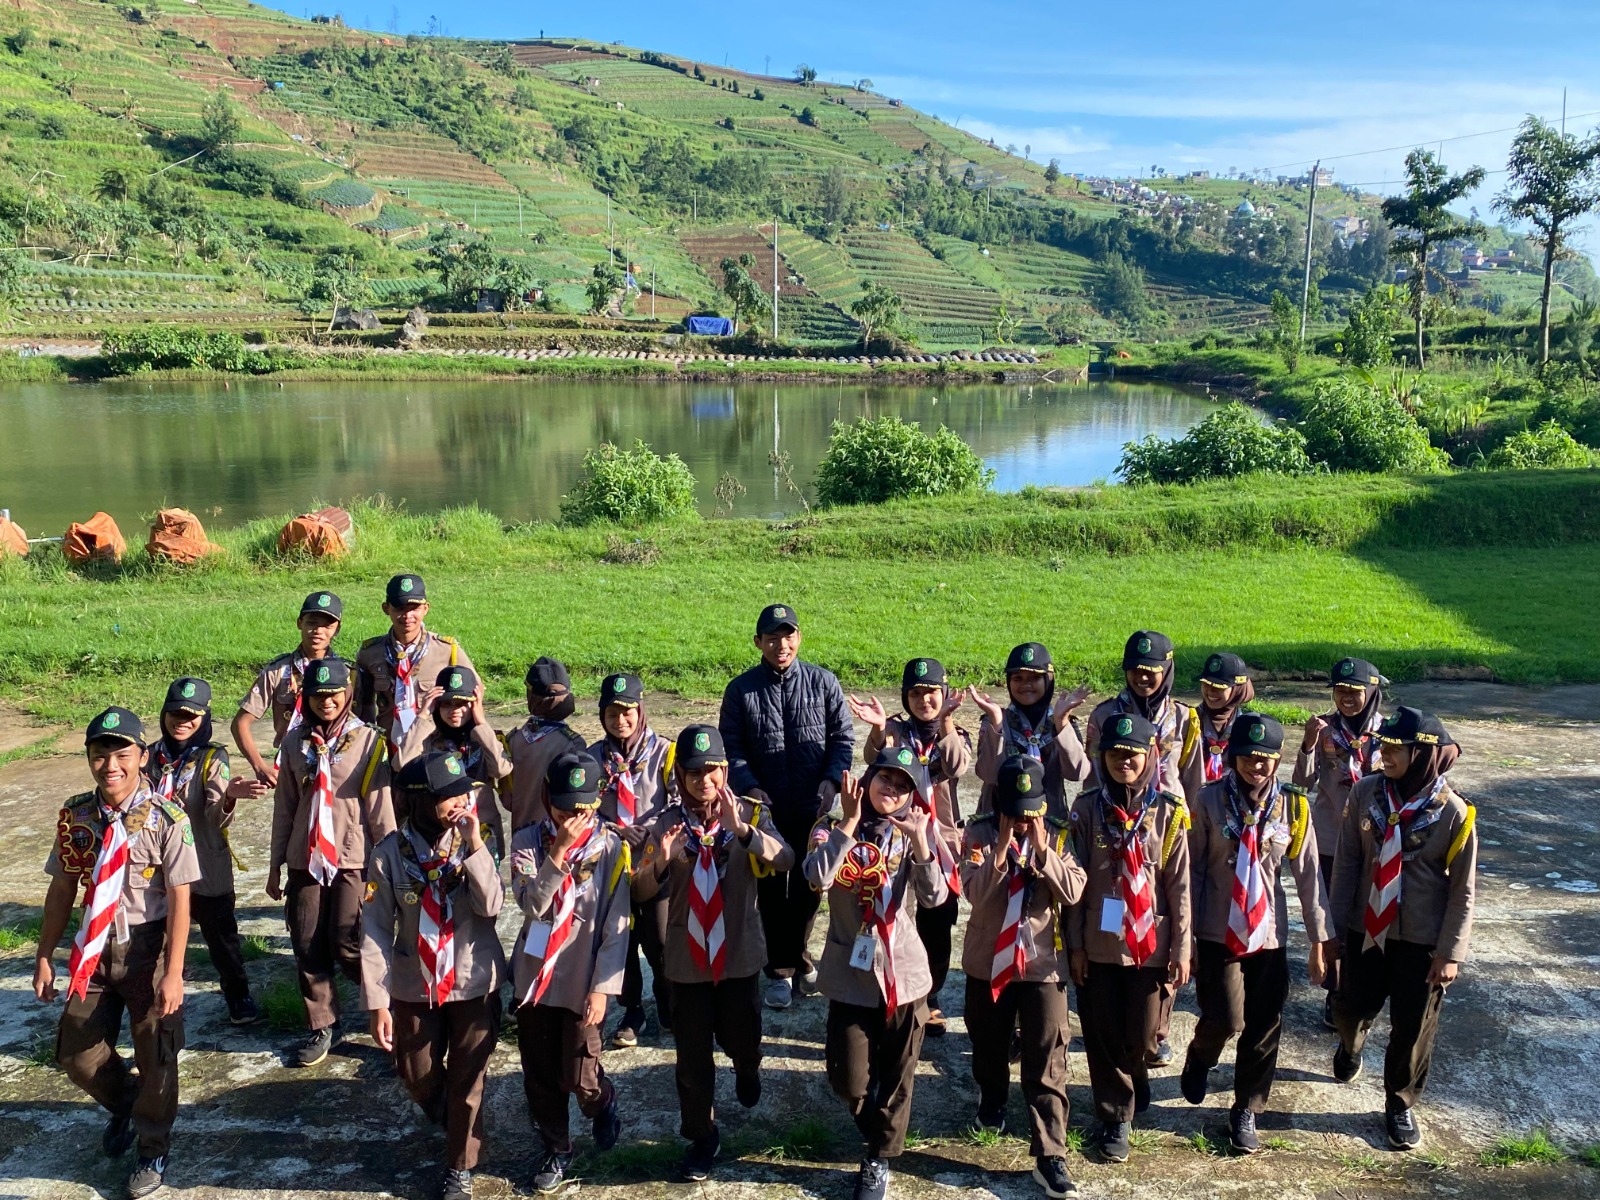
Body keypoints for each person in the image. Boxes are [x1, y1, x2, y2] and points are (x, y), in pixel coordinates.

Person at [32, 708, 201, 1199]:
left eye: (122, 753)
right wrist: (45, 954)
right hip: (96, 946)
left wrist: (173, 972)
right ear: (88, 758)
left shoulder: (169, 818)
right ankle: (129, 1102)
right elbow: (63, 888)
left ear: (142, 757)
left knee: (156, 1052)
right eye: (100, 753)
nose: (111, 765)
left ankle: (152, 1147)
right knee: (76, 1053)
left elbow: (180, 901)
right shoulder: (76, 816)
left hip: (148, 948)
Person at [633, 725, 793, 1183]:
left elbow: (785, 859)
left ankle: (747, 1066)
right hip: (687, 960)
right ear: (680, 775)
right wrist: (659, 861)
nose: (706, 780)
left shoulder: (749, 812)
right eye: (696, 772)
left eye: (714, 770)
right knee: (692, 1059)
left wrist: (742, 832)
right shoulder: (663, 823)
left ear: (726, 771)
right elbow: (641, 888)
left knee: (744, 1036)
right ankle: (702, 1137)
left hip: (739, 952)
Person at [1180, 712, 1336, 1154]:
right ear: (1233, 757)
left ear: (1279, 759)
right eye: (1248, 757)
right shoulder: (1208, 801)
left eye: (1266, 758)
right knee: (1227, 1017)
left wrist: (1320, 941)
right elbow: (1190, 870)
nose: (1257, 766)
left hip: (1268, 932)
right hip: (1217, 928)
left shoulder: (1294, 806)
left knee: (1265, 1023)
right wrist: (1186, 933)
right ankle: (1201, 1056)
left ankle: (1247, 1108)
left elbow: (1309, 878)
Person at [1328, 706, 1477, 1152]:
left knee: (1412, 1027)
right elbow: (1348, 863)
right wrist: (1333, 931)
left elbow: (1462, 891)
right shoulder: (1366, 794)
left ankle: (1399, 1102)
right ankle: (1350, 1045)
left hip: (1420, 940)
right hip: (1364, 928)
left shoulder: (1455, 813)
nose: (1384, 755)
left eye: (1395, 749)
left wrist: (1450, 952)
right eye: (1383, 746)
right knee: (1351, 1005)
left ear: (1424, 755)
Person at [805, 747, 947, 1200]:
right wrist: (847, 822)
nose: (892, 789)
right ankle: (879, 1130)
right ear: (867, 780)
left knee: (899, 1074)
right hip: (851, 972)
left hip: (903, 974)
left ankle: (878, 1158)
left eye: (903, 784)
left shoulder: (915, 834)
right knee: (848, 1079)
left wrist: (923, 844)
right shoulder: (831, 826)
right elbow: (817, 877)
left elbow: (934, 898)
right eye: (884, 778)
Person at [363, 751, 506, 1200]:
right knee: (416, 1072)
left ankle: (459, 1166)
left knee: (468, 1077)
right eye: (447, 796)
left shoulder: (476, 841)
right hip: (413, 981)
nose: (460, 801)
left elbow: (492, 905)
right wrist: (377, 1002)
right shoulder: (388, 855)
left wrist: (475, 846)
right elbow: (374, 930)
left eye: (463, 790)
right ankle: (457, 1123)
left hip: (472, 979)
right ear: (420, 801)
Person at [961, 755, 1087, 1199]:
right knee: (987, 1041)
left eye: (1029, 810)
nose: (1021, 820)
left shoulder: (1056, 833)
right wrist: (1000, 845)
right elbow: (973, 893)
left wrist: (1044, 851)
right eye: (1014, 811)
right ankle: (993, 1097)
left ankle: (1051, 1152)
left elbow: (1073, 889)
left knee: (1049, 1054)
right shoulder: (977, 833)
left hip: (1041, 965)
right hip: (988, 960)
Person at [1067, 714, 1191, 1165]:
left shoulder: (1171, 812)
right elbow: (1075, 887)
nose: (1125, 763)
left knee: (1141, 1035)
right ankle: (1115, 1115)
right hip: (1099, 941)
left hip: (1150, 944)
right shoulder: (1085, 809)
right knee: (1101, 1033)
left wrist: (1182, 946)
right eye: (1116, 754)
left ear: (1150, 755)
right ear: (1104, 758)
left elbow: (1179, 887)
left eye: (1133, 755)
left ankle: (1136, 1072)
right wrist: (1075, 946)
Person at [718, 603, 854, 1011]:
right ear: (758, 642)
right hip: (766, 809)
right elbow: (732, 748)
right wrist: (751, 787)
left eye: (788, 635)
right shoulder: (740, 691)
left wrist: (832, 780)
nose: (782, 644)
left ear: (799, 638)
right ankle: (778, 970)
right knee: (772, 888)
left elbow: (842, 739)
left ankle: (797, 956)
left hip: (813, 806)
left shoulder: (824, 682)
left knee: (812, 888)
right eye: (772, 637)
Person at [509, 752, 628, 1193]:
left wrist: (602, 989)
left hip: (581, 978)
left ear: (596, 802)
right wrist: (555, 856)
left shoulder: (612, 847)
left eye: (581, 808)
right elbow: (530, 905)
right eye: (563, 807)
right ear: (546, 799)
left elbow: (618, 926)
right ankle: (557, 1148)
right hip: (535, 978)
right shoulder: (526, 841)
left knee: (581, 1075)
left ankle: (604, 1102)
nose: (571, 817)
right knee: (540, 1073)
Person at [268, 657, 394, 1067]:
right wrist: (275, 863)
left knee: (348, 938)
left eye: (334, 694)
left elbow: (379, 807)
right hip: (305, 858)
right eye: (319, 694)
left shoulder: (368, 742)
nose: (327, 701)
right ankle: (322, 1022)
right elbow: (285, 805)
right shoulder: (294, 743)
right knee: (306, 939)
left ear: (348, 695)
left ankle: (388, 1002)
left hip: (353, 856)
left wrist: (388, 864)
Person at [1085, 630, 1203, 1067]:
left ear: (1167, 670)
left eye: (1151, 672)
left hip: (1164, 832)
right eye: (1134, 671)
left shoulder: (1186, 721)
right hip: (1112, 829)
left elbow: (1192, 781)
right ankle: (1116, 1014)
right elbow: (1093, 774)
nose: (1142, 679)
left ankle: (1158, 1026)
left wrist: (1188, 830)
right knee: (1113, 922)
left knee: (1164, 925)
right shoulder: (1104, 715)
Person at [848, 657, 972, 1035]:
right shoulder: (896, 733)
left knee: (938, 916)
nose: (924, 701)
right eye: (915, 693)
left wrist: (947, 721)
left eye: (932, 692)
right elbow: (873, 759)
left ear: (945, 694)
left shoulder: (957, 732)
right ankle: (893, 985)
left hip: (939, 841)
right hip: (895, 838)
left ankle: (929, 997)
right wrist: (876, 729)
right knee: (896, 911)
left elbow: (957, 767)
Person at [148, 677, 269, 1025]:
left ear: (205, 717)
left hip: (203, 865)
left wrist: (230, 795)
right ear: (165, 713)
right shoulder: (148, 756)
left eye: (192, 715)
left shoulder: (212, 757)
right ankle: (158, 1001)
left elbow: (215, 814)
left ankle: (238, 994)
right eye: (176, 713)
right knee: (158, 938)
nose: (182, 721)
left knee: (221, 938)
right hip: (157, 870)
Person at [1294, 657, 1386, 1027]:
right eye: (1340, 690)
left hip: (1375, 841)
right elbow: (1303, 783)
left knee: (1365, 916)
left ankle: (1362, 988)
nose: (1346, 697)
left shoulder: (1387, 733)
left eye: (1354, 691)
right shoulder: (1325, 730)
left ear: (1372, 691)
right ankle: (1335, 992)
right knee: (1332, 915)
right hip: (1330, 838)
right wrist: (1306, 744)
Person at [587, 671, 674, 1047]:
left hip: (654, 862)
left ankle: (669, 1002)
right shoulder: (592, 759)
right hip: (612, 866)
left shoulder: (665, 753)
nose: (620, 721)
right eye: (611, 714)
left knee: (659, 937)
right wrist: (616, 829)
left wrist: (650, 827)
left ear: (641, 711)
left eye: (627, 712)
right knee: (621, 938)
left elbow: (677, 803)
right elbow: (584, 811)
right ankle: (632, 1008)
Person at [397, 665, 509, 863]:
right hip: (443, 832)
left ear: (474, 704)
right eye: (446, 704)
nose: (454, 711)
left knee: (486, 885)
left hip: (483, 826)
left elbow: (501, 769)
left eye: (461, 703)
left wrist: (481, 722)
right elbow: (402, 764)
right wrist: (423, 716)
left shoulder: (485, 738)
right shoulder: (427, 740)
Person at [970, 642, 1092, 822]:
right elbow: (988, 774)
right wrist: (996, 724)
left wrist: (1062, 724)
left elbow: (1077, 773)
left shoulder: (1062, 722)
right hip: (999, 823)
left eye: (1034, 678)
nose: (1026, 685)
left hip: (1050, 823)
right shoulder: (994, 721)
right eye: (1018, 678)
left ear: (1048, 680)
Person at [232, 590, 343, 784]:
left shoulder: (346, 674)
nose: (318, 631)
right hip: (290, 766)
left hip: (335, 766)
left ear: (337, 629)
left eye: (327, 625)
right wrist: (260, 767)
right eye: (312, 622)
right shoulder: (277, 671)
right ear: (299, 623)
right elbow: (240, 723)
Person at [356, 573, 473, 752]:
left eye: (414, 608)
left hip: (434, 744)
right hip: (387, 746)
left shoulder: (446, 650)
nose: (407, 615)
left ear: (426, 608)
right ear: (386, 608)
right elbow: (363, 704)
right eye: (400, 608)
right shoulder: (370, 653)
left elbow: (474, 693)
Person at [503, 657, 588, 833]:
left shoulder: (513, 740)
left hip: (521, 838)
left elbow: (507, 800)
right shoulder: (572, 743)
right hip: (558, 839)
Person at [1194, 653, 1255, 787]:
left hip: (1232, 799)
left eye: (1219, 687)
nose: (1210, 691)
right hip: (1192, 799)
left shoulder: (1248, 727)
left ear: (1237, 689)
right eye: (1206, 684)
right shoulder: (1188, 720)